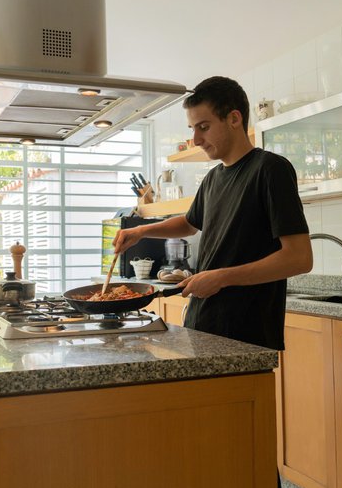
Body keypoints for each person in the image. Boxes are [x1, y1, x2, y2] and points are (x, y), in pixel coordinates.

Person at [113, 76, 313, 351]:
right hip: (203, 322)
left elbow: (299, 258)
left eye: (203, 127)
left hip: (247, 333)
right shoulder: (212, 179)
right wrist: (142, 230)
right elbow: (189, 224)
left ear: (233, 118)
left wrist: (221, 277)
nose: (196, 139)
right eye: (193, 128)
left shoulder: (270, 169)